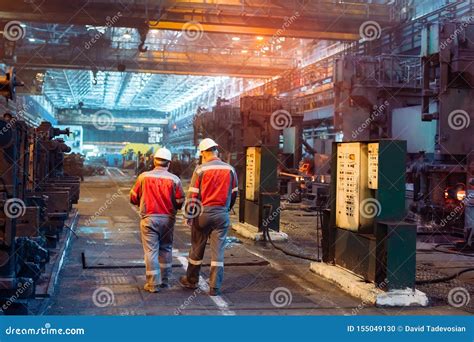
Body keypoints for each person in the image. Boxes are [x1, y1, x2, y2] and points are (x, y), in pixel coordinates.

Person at [179, 138, 238, 296]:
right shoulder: (230, 169)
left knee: (197, 248)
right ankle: (215, 287)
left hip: (203, 214)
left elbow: (193, 195)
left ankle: (191, 280)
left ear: (204, 153)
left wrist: (189, 215)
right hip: (222, 215)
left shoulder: (200, 170)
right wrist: (227, 209)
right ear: (216, 150)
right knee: (218, 252)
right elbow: (234, 194)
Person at [130, 147, 185, 293]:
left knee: (151, 251)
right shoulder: (175, 179)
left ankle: (153, 284)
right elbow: (180, 201)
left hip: (149, 219)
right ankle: (165, 282)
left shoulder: (143, 177)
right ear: (169, 163)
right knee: (166, 248)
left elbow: (133, 197)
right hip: (167, 220)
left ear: (154, 161)